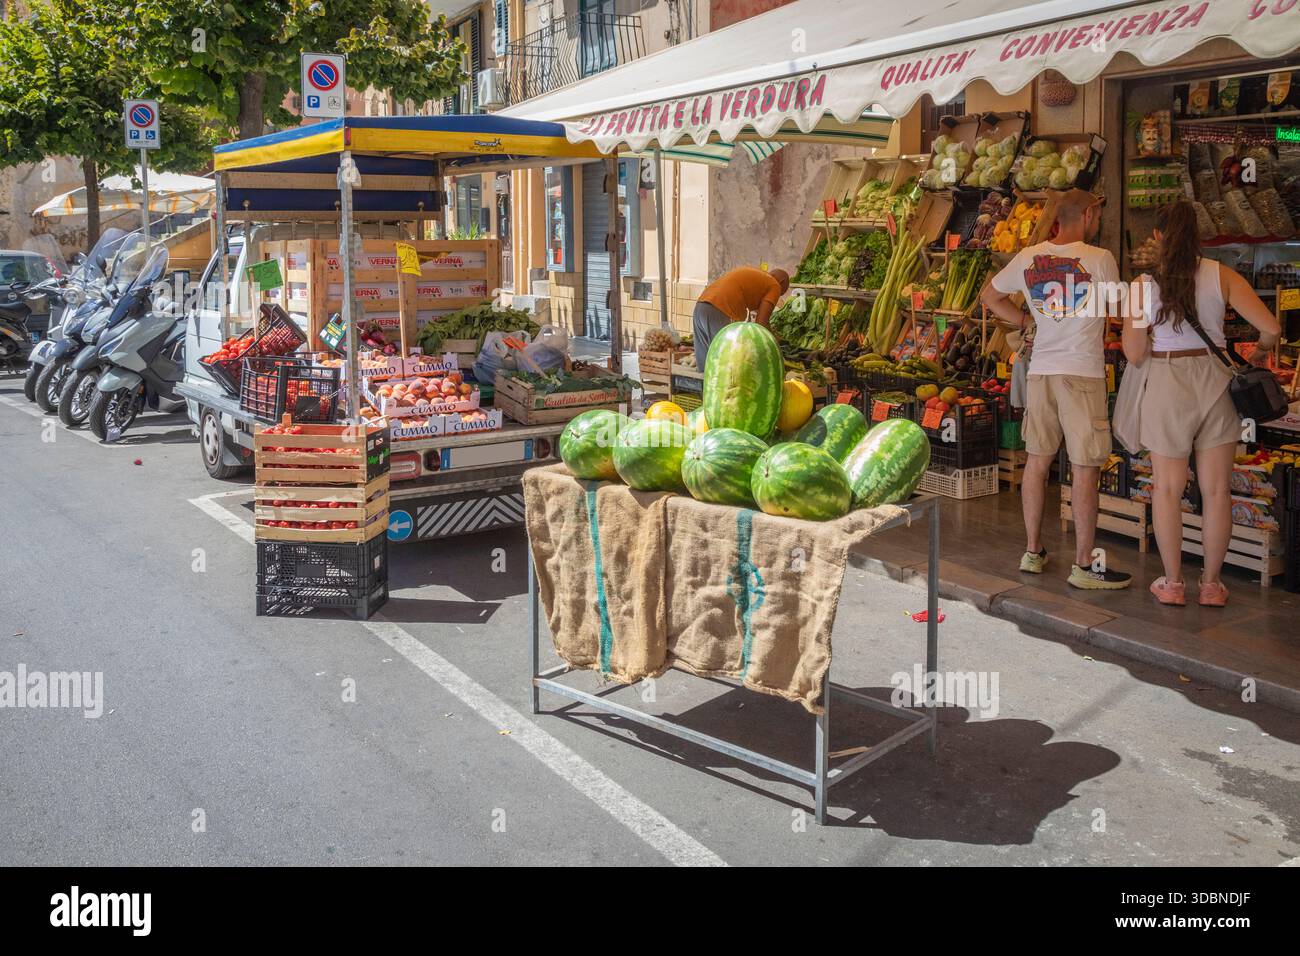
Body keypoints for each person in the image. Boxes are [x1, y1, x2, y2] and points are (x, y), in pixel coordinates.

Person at [1122, 200, 1280, 607]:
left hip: (1167, 381)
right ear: (1199, 237)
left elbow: (1134, 352)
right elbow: (1271, 327)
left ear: (1157, 236)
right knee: (1216, 491)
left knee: (1168, 489)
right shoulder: (1221, 275)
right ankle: (1211, 585)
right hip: (1215, 382)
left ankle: (1172, 583)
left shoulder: (1143, 286)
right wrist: (1260, 354)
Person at [980, 189, 1132, 590]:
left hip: (1040, 371)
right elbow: (1117, 311)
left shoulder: (1029, 257)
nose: (1097, 222)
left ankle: (1033, 551)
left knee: (1037, 461)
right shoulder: (1100, 259)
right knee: (1084, 468)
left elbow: (989, 296)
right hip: (1081, 374)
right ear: (1086, 214)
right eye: (1097, 215)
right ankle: (1084, 565)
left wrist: (1027, 325)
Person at [692, 266, 789, 368]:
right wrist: (774, 342)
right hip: (720, 310)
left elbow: (756, 312)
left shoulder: (759, 277)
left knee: (704, 366)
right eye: (780, 294)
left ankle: (702, 384)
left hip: (701, 306)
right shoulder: (774, 285)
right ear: (781, 282)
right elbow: (761, 323)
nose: (777, 297)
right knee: (725, 364)